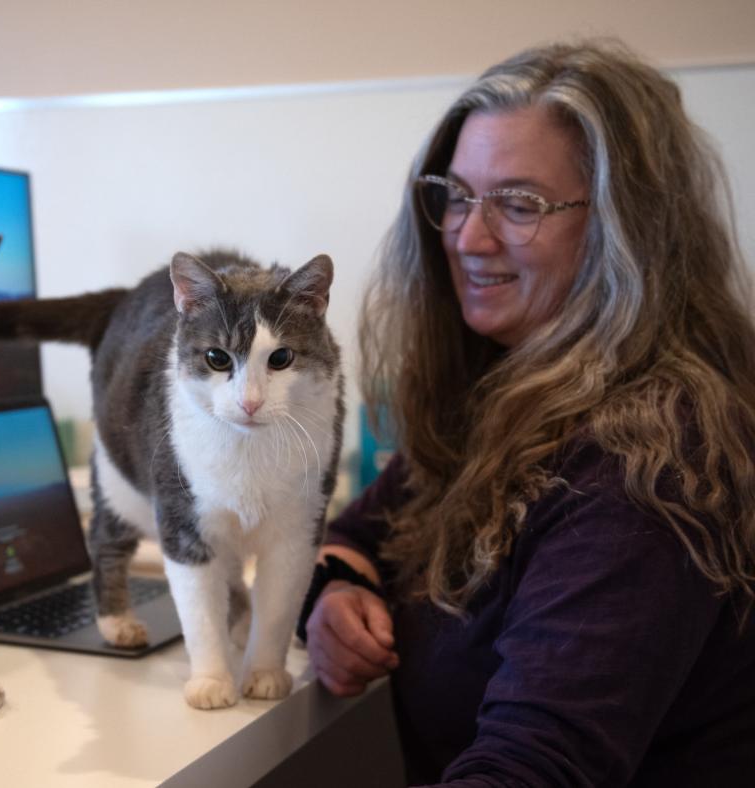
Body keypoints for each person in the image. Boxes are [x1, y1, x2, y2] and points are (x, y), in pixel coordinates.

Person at [300, 40, 755, 786]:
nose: (469, 238)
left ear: (623, 226)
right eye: (458, 195)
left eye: (520, 204)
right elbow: (357, 534)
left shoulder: (648, 454)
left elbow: (533, 770)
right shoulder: (503, 397)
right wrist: (334, 592)